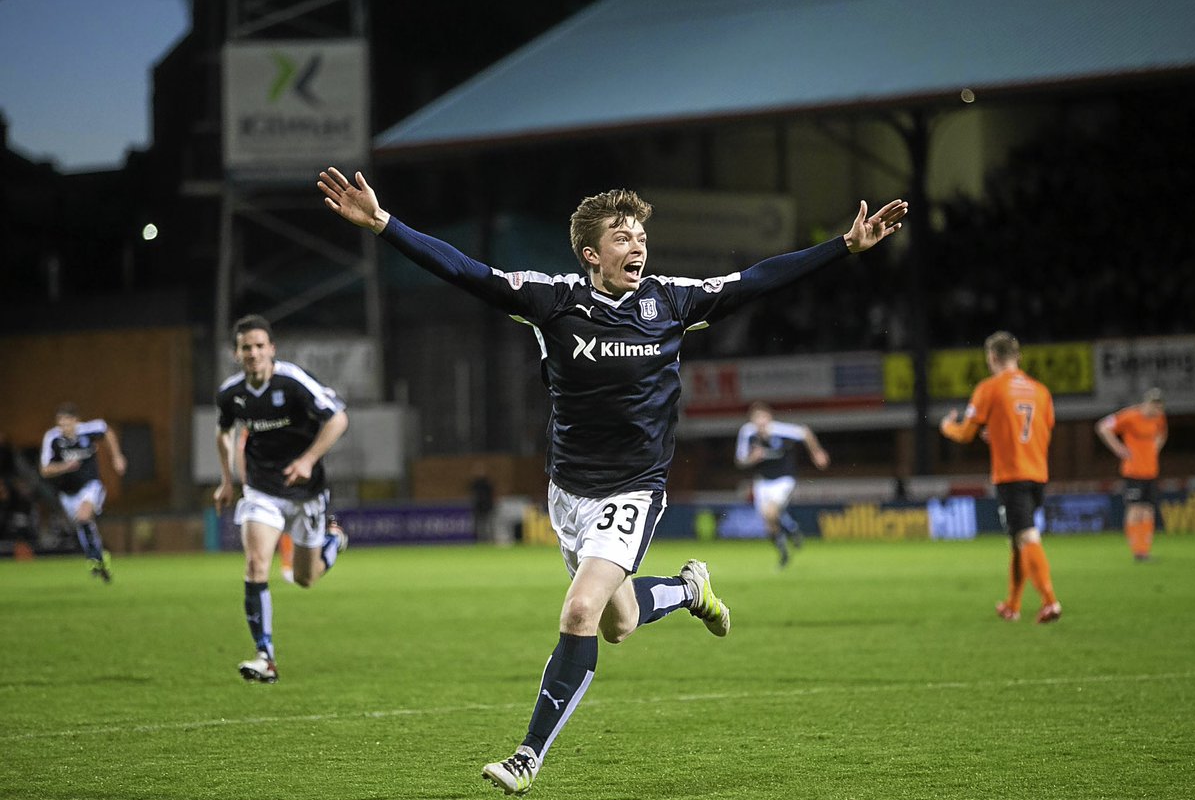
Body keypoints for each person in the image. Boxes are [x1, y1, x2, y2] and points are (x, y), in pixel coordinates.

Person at [319, 166, 906, 795]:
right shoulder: (552, 301)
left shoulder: (672, 301)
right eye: (623, 238)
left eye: (641, 237)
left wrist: (842, 246)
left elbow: (757, 279)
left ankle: (525, 758)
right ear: (591, 253)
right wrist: (383, 224)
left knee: (578, 610)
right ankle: (688, 590)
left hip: (635, 487)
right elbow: (469, 273)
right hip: (568, 491)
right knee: (618, 623)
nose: (638, 247)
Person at [213, 314, 350, 684]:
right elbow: (223, 432)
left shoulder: (293, 382)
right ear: (236, 353)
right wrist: (227, 481)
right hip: (262, 489)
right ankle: (265, 657)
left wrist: (307, 460)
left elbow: (338, 419)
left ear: (271, 349)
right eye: (246, 348)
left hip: (307, 493)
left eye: (260, 346)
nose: (253, 353)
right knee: (257, 564)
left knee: (306, 578)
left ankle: (334, 541)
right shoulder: (231, 394)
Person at [939, 331, 1062, 624]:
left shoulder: (990, 388)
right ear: (1017, 357)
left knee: (1027, 535)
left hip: (1011, 474)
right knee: (1017, 539)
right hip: (1037, 472)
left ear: (992, 357)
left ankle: (1050, 601)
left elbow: (966, 433)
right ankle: (1013, 605)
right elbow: (1041, 429)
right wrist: (1000, 436)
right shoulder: (1040, 390)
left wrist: (947, 427)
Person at [38, 403, 126, 582]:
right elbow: (44, 469)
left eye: (67, 423)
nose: (64, 427)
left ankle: (95, 558)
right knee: (82, 525)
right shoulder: (53, 438)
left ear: (75, 421)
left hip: (90, 486)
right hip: (67, 493)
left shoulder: (88, 430)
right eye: (60, 423)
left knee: (84, 516)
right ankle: (97, 558)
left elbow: (106, 430)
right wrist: (64, 467)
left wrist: (117, 456)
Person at [735, 401, 829, 567]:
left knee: (771, 512)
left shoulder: (781, 431)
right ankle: (786, 543)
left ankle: (790, 534)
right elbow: (740, 461)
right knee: (769, 522)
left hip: (784, 479)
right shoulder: (747, 433)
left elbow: (805, 432)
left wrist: (817, 453)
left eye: (763, 419)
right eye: (757, 420)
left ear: (769, 418)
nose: (760, 424)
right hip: (763, 482)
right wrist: (752, 458)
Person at [1095, 388, 1167, 561]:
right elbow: (1103, 427)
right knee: (1135, 509)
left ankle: (1144, 549)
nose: (1157, 410)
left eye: (1159, 406)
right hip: (1133, 471)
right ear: (1146, 403)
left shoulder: (1159, 418)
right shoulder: (1130, 416)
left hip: (1151, 471)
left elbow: (1162, 433)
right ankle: (1137, 550)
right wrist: (1118, 449)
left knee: (1148, 510)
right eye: (1154, 405)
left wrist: (1155, 448)